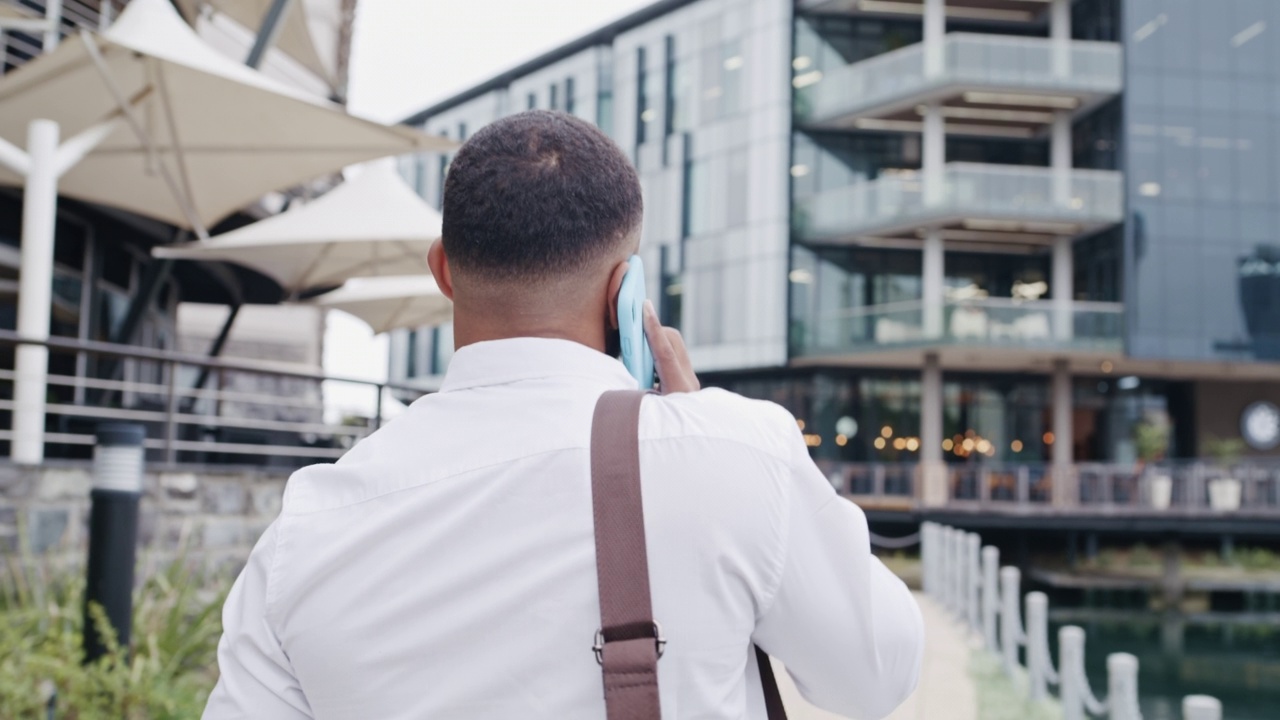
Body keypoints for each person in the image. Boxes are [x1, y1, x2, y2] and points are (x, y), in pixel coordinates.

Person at [203, 110, 923, 720]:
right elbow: (875, 676)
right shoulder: (733, 451)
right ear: (625, 289)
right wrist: (695, 425)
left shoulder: (305, 530)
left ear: (443, 270)